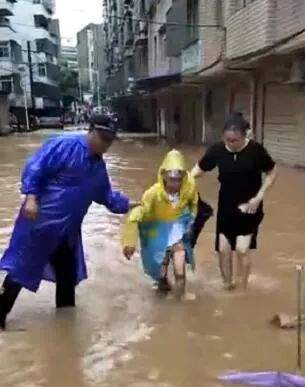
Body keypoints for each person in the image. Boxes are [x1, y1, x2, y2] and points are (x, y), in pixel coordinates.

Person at [0, 114, 130, 330]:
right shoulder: (64, 145)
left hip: (66, 233)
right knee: (20, 270)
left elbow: (106, 196)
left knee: (67, 277)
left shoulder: (98, 168)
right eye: (103, 138)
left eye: (110, 140)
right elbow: (35, 168)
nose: (106, 145)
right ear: (90, 130)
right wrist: (31, 197)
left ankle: (65, 329)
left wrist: (129, 205)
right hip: (39, 224)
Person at [191, 112, 277, 290]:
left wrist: (259, 196)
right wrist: (184, 182)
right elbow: (199, 169)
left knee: (242, 249)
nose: (232, 144)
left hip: (250, 207)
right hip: (226, 206)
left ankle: (243, 289)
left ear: (244, 136)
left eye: (235, 140)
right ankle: (228, 286)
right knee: (223, 250)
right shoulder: (217, 150)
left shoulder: (255, 150)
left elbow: (272, 172)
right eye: (228, 140)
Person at [122, 150, 199, 299]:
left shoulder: (189, 189)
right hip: (159, 236)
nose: (175, 183)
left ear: (183, 177)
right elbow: (137, 214)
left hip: (178, 235)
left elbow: (193, 207)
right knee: (161, 276)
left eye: (178, 179)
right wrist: (129, 242)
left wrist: (191, 222)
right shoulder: (153, 193)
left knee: (180, 272)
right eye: (171, 179)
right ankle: (163, 292)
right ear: (163, 176)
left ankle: (179, 302)